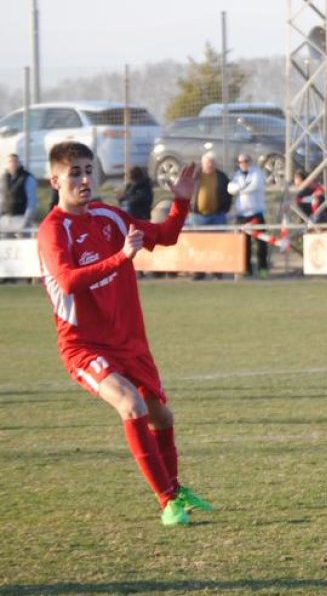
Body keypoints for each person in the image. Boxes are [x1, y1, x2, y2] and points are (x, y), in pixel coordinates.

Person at [37, 141, 213, 526]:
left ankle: (176, 488)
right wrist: (120, 258)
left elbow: (165, 235)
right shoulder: (53, 230)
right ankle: (167, 500)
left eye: (88, 170)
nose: (84, 179)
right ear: (56, 180)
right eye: (75, 173)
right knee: (130, 405)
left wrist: (180, 201)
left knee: (162, 417)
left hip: (130, 342)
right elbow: (66, 282)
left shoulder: (109, 216)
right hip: (84, 345)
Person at [190, 152, 233, 280]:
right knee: (199, 245)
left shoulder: (221, 177)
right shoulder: (196, 176)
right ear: (203, 163)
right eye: (208, 162)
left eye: (212, 162)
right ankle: (199, 271)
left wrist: (225, 209)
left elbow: (228, 194)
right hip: (198, 216)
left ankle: (217, 271)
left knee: (217, 245)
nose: (210, 164)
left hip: (217, 215)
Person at [227, 153, 269, 278]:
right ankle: (246, 269)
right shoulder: (237, 175)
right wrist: (241, 187)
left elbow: (254, 187)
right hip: (242, 215)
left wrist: (239, 189)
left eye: (246, 160)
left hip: (256, 213)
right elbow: (230, 189)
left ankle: (263, 269)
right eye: (241, 161)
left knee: (261, 243)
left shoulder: (257, 173)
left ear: (250, 161)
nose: (243, 163)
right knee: (244, 244)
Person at [2, 153, 38, 237]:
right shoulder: (3, 178)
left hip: (21, 217)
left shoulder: (27, 178)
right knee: (6, 245)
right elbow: (1, 198)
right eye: (10, 161)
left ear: (19, 163)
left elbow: (32, 199)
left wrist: (27, 217)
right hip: (6, 219)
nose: (12, 164)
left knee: (24, 243)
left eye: (15, 161)